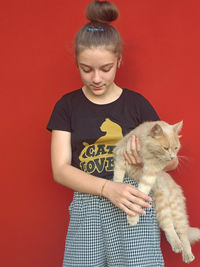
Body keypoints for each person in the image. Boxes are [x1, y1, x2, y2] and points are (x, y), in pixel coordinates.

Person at [46, 1, 178, 266]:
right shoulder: (66, 106)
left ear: (119, 60)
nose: (96, 78)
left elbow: (172, 161)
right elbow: (60, 169)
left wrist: (143, 160)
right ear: (77, 63)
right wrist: (107, 188)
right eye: (86, 69)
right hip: (88, 204)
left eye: (105, 69)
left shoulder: (137, 104)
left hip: (133, 204)